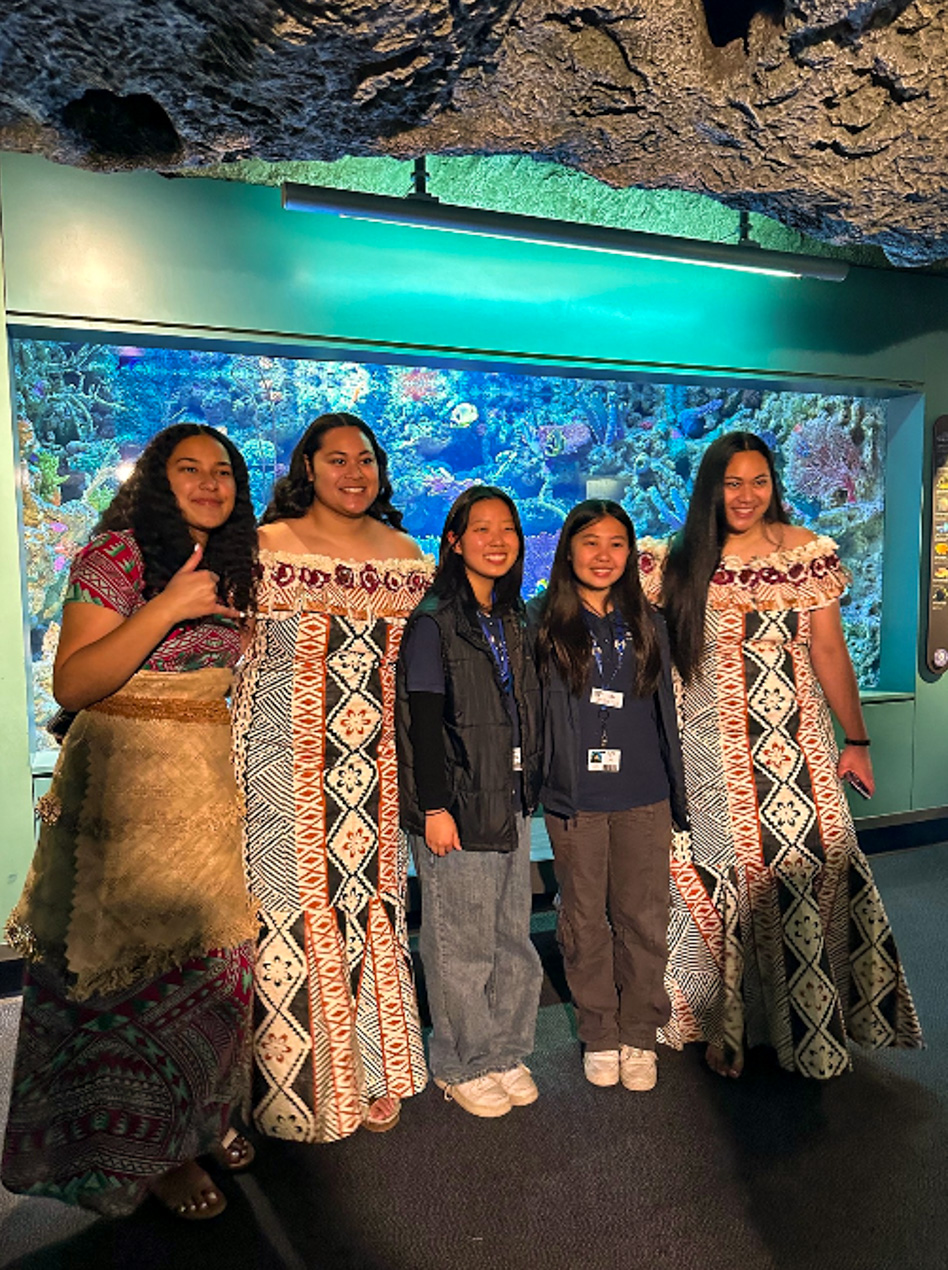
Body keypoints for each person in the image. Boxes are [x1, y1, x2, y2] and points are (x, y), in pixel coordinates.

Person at [2, 423, 259, 1219]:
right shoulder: (114, 556)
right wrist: (172, 605)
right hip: (122, 786)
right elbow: (76, 681)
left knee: (211, 970)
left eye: (223, 472)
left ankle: (200, 1121)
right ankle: (147, 1157)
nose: (210, 484)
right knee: (133, 976)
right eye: (190, 470)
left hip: (202, 785)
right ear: (156, 479)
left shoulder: (231, 563)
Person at [641, 430, 922, 1079]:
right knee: (715, 887)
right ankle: (727, 1029)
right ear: (712, 486)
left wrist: (857, 741)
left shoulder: (804, 554)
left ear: (774, 485)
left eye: (758, 481)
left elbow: (828, 651)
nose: (745, 495)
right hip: (706, 754)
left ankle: (811, 1030)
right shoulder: (676, 559)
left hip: (796, 752)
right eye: (732, 482)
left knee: (805, 876)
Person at [232, 412, 430, 1142]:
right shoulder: (264, 547)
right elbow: (235, 655)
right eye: (337, 459)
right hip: (276, 763)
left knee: (364, 903)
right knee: (286, 906)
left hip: (372, 770)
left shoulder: (406, 554)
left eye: (366, 459)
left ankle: (369, 1073)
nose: (355, 472)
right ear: (306, 467)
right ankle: (287, 1090)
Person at [396, 486, 544, 1119]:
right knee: (460, 941)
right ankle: (459, 1062)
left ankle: (507, 1050)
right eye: (480, 529)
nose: (497, 539)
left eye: (507, 528)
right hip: (455, 805)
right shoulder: (434, 620)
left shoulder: (513, 618)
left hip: (507, 798)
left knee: (513, 934)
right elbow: (421, 722)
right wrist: (434, 808)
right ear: (453, 541)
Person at [531, 500, 688, 1091]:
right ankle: (599, 1030)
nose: (604, 555)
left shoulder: (650, 621)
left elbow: (663, 710)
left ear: (631, 553)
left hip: (644, 792)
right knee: (582, 919)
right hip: (576, 799)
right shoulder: (541, 622)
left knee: (643, 917)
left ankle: (640, 1032)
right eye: (590, 542)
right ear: (568, 548)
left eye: (617, 543)